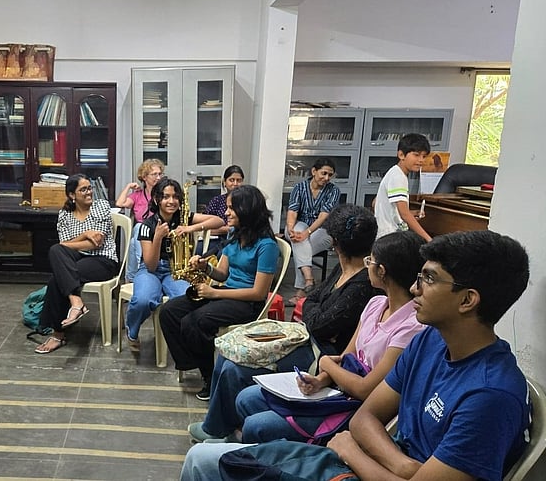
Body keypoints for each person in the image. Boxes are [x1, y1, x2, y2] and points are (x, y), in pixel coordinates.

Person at [181, 230, 532, 481]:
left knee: (209, 463)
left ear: (467, 300)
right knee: (201, 458)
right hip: (368, 462)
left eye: (428, 278)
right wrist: (405, 468)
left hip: (358, 463)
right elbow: (365, 418)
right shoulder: (430, 343)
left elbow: (360, 421)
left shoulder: (490, 396)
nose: (414, 288)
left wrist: (351, 451)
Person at [188, 204, 380, 442]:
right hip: (310, 340)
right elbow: (311, 301)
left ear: (335, 242)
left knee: (234, 369)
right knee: (229, 354)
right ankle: (219, 425)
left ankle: (220, 430)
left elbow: (317, 320)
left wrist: (312, 310)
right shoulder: (342, 271)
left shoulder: (361, 284)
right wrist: (313, 310)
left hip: (325, 355)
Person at [233, 230, 426, 444]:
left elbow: (366, 389)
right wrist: (319, 380)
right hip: (341, 389)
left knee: (256, 425)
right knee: (246, 398)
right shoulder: (376, 304)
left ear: (382, 271)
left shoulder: (411, 328)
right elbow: (347, 357)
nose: (367, 265)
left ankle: (267, 458)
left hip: (358, 409)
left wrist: (326, 364)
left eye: (370, 261)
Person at [159, 185, 279, 400]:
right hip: (226, 292)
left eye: (231, 208)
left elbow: (259, 293)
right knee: (169, 311)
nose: (226, 213)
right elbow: (222, 273)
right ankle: (192, 362)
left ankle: (210, 378)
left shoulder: (267, 245)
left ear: (247, 210)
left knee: (195, 321)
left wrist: (214, 293)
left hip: (247, 302)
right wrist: (205, 267)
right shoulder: (235, 234)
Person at [124, 178, 225, 351]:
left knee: (187, 298)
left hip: (176, 270)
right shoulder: (147, 226)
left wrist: (191, 228)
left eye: (175, 197)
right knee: (143, 300)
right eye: (166, 197)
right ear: (157, 200)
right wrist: (158, 237)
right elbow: (150, 266)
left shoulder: (184, 218)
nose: (171, 201)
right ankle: (132, 331)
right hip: (151, 271)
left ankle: (181, 337)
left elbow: (219, 221)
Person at [33, 174, 119, 354]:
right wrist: (85, 234)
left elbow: (97, 242)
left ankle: (58, 334)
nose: (89, 192)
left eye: (89, 188)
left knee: (57, 279)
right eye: (83, 189)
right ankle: (76, 302)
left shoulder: (101, 206)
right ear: (72, 195)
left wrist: (82, 239)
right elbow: (63, 246)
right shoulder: (65, 214)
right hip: (75, 260)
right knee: (56, 250)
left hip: (103, 260)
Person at [284, 158, 340, 305]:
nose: (326, 178)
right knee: (298, 233)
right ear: (314, 171)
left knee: (300, 247)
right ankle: (307, 281)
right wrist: (290, 229)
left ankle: (303, 287)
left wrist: (307, 233)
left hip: (323, 230)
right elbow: (292, 211)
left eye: (330, 175)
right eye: (324, 173)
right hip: (299, 227)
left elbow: (323, 216)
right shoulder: (300, 187)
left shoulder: (333, 191)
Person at [375, 133, 432, 241]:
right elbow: (404, 214)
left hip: (387, 234)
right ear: (401, 155)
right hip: (390, 237)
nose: (421, 160)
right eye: (416, 155)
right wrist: (429, 239)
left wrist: (410, 213)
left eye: (424, 156)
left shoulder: (395, 172)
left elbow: (375, 203)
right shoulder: (398, 177)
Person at [116, 158, 165, 281]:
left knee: (134, 239)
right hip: (142, 235)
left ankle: (138, 272)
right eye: (154, 174)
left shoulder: (164, 194)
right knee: (138, 231)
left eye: (160, 174)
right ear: (144, 177)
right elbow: (120, 203)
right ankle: (137, 273)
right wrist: (128, 187)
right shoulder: (137, 195)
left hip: (159, 231)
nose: (158, 177)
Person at [202, 165, 245, 254]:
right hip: (216, 238)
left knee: (221, 253)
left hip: (239, 239)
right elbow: (206, 227)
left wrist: (226, 230)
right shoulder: (217, 201)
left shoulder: (247, 202)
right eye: (231, 180)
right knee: (200, 250)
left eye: (239, 180)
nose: (235, 184)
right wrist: (226, 229)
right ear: (224, 182)